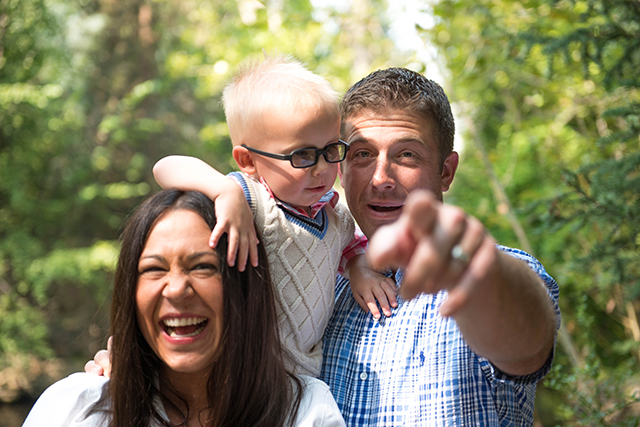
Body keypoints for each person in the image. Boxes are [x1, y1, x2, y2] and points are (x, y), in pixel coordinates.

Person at [86, 68, 560, 426]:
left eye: (407, 155)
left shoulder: (493, 273)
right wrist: (136, 363)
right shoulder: (314, 280)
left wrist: (473, 269)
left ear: (447, 171)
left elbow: (525, 338)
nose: (380, 177)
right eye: (359, 155)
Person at [152, 54, 395, 377]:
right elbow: (165, 167)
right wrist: (225, 191)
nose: (322, 169)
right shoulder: (249, 199)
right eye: (303, 155)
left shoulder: (336, 217)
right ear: (248, 161)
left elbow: (352, 250)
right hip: (240, 369)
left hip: (306, 372)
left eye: (331, 150)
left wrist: (359, 270)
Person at [25, 190, 345, 426]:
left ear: (244, 287)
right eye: (153, 269)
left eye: (203, 267)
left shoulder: (305, 411)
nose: (177, 289)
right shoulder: (75, 408)